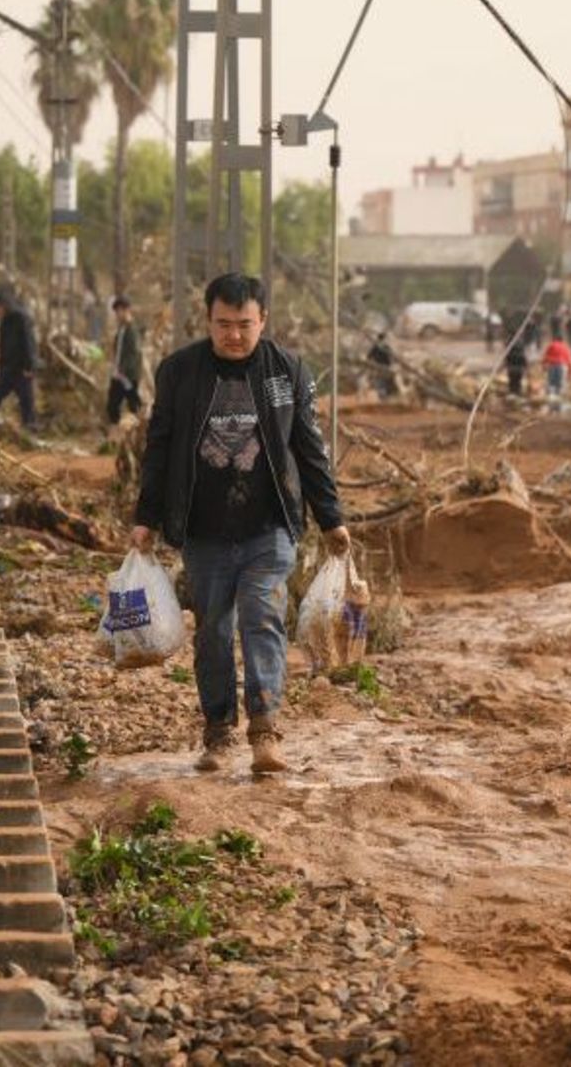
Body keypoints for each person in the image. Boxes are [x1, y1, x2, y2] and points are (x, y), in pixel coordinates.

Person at [131, 272, 352, 777]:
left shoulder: (287, 371)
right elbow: (159, 449)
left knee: (261, 615)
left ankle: (265, 731)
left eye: (244, 324)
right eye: (223, 324)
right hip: (204, 530)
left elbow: (310, 450)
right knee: (213, 633)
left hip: (268, 527)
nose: (233, 335)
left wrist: (331, 518)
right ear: (207, 320)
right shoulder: (179, 372)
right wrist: (146, 518)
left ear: (263, 320)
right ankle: (218, 731)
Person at [0, 284, 38, 430]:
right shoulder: (4, 322)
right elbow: (2, 346)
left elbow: (29, 343)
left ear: (5, 305)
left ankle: (30, 428)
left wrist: (29, 366)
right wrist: (0, 367)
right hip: (8, 369)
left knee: (27, 402)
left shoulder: (21, 319)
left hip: (21, 369)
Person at [106, 295, 145, 425]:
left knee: (132, 404)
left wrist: (123, 371)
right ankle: (117, 434)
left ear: (126, 310)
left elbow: (134, 353)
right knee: (114, 405)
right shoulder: (121, 329)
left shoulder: (131, 330)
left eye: (119, 311)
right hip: (119, 375)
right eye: (116, 311)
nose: (117, 314)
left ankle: (142, 430)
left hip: (127, 376)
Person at [367, 332, 399, 400]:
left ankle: (386, 395)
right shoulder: (377, 347)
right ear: (383, 339)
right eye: (386, 339)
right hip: (380, 367)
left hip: (385, 367)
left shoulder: (383, 347)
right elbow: (369, 357)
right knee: (381, 381)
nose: (386, 341)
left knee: (386, 380)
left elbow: (369, 357)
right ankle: (383, 395)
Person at [543, 333, 571, 398]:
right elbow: (569, 362)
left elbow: (546, 357)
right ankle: (559, 400)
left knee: (551, 384)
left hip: (552, 365)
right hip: (562, 366)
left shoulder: (551, 345)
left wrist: (544, 366)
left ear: (555, 339)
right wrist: (570, 374)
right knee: (561, 385)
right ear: (562, 340)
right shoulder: (566, 347)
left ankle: (551, 399)